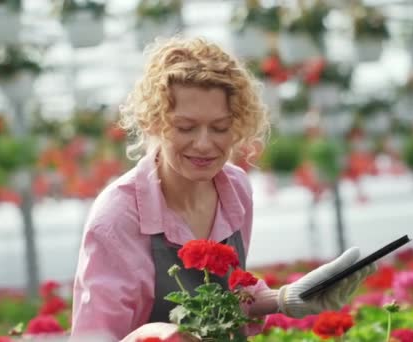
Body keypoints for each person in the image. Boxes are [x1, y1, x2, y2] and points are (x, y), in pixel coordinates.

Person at [70, 36, 376, 341]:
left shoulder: (235, 189)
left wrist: (285, 299)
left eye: (220, 128)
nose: (204, 144)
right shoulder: (117, 218)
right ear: (154, 123)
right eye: (186, 127)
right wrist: (154, 334)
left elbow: (227, 295)